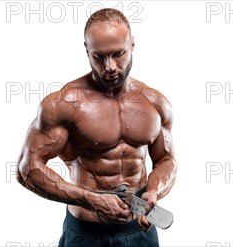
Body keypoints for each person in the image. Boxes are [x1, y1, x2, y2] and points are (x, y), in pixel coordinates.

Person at [16, 8, 178, 247]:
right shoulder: (64, 104)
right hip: (87, 233)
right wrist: (89, 199)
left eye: (118, 54)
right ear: (86, 50)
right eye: (99, 57)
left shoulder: (155, 103)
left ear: (132, 45)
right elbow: (26, 169)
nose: (110, 66)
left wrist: (154, 192)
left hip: (140, 229)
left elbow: (166, 160)